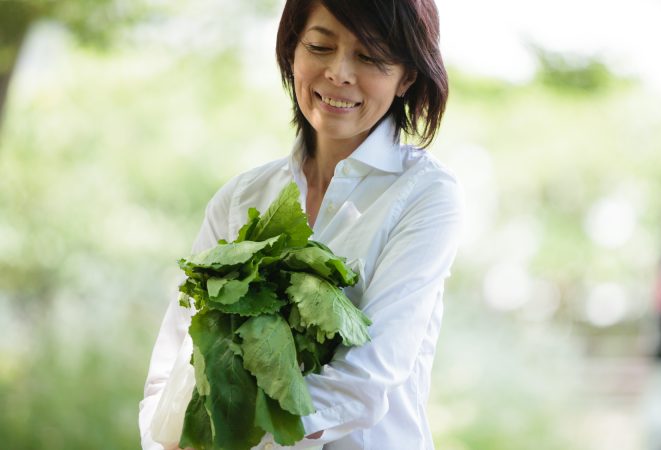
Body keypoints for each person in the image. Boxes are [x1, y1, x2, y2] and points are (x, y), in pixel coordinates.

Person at [139, 0, 463, 448]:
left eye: (368, 56)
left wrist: (231, 438)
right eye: (319, 46)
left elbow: (368, 377)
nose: (339, 73)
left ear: (406, 75)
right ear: (293, 50)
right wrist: (164, 435)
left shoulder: (424, 196)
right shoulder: (241, 198)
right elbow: (178, 356)